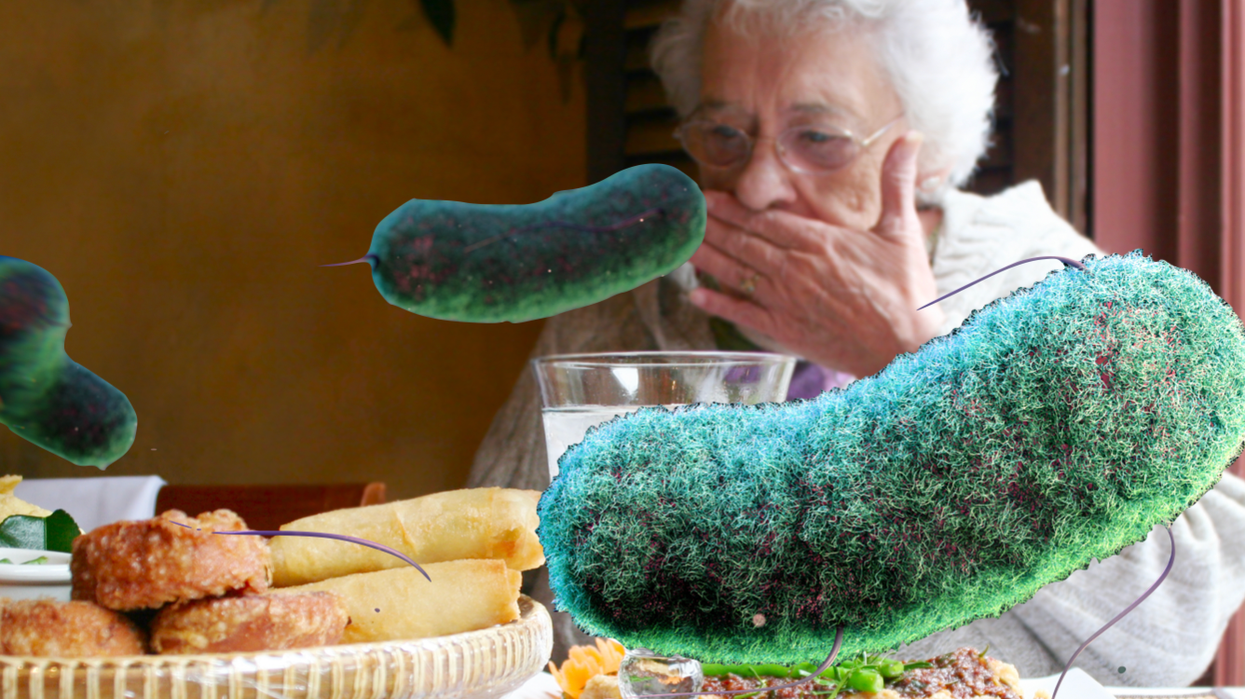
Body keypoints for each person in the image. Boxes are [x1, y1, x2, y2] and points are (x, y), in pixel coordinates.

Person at [469, 0, 1245, 686]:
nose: (758, 186)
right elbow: (488, 590)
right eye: (724, 134)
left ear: (927, 150)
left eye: (818, 136)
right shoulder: (622, 316)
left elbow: (1171, 631)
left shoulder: (1048, 290)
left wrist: (913, 356)